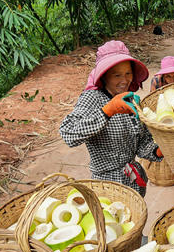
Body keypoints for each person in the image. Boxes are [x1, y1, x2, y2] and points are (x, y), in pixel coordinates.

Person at [60, 40, 163, 196]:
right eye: (117, 75)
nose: (124, 80)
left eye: (128, 73)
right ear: (104, 76)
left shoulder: (131, 100)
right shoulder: (92, 98)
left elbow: (142, 143)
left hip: (133, 182)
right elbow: (68, 133)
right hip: (106, 185)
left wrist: (159, 151)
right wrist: (107, 111)